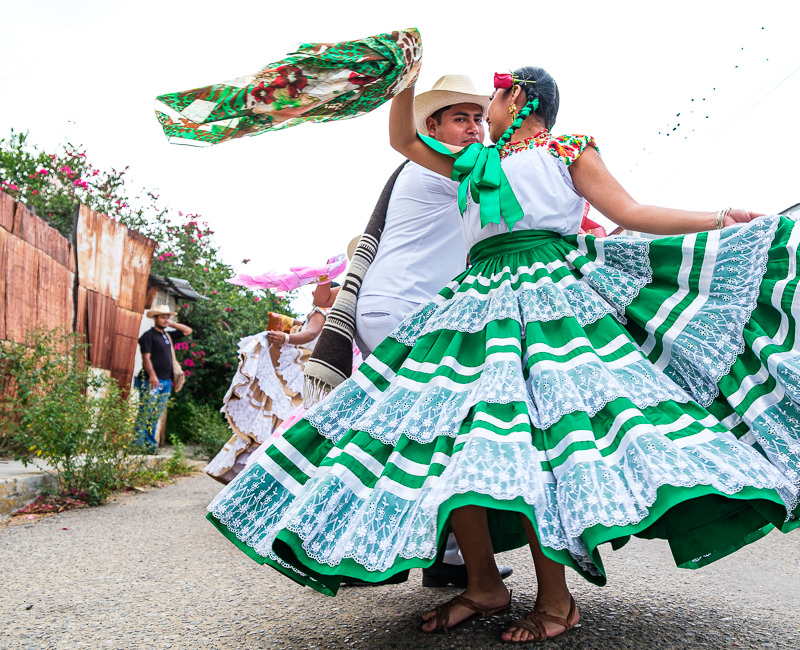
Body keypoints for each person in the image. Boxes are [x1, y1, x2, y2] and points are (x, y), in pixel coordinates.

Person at [207, 65, 800, 644]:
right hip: (473, 299)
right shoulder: (472, 162)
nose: (478, 118)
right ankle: (485, 585)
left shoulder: (568, 147)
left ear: (515, 97)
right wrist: (405, 76)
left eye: (486, 103)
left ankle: (556, 598)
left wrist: (720, 218)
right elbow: (401, 138)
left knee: (541, 443)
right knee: (449, 433)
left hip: (550, 296)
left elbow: (631, 214)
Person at [311, 74, 512, 589]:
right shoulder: (440, 167)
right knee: (440, 431)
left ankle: (434, 553)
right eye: (460, 118)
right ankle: (358, 548)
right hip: (404, 310)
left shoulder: (448, 167)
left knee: (418, 433)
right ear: (433, 127)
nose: (473, 129)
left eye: (477, 118)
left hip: (402, 308)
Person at [205, 284, 337, 484]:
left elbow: (309, 335)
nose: (313, 292)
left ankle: (244, 470)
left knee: (274, 416)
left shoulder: (321, 311)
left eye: (319, 289)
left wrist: (286, 337)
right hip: (307, 370)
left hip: (297, 370)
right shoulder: (338, 317)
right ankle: (260, 472)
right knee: (281, 419)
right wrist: (292, 323)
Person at [135, 304, 192, 453]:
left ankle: (150, 446)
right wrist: (153, 375)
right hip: (152, 381)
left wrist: (171, 323)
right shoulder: (148, 337)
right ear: (154, 318)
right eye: (162, 317)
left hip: (166, 382)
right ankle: (138, 444)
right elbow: (146, 358)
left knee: (156, 415)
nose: (165, 319)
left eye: (167, 317)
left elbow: (187, 331)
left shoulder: (167, 335)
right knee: (146, 412)